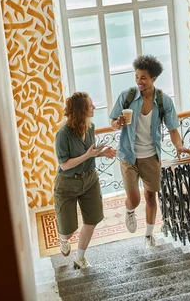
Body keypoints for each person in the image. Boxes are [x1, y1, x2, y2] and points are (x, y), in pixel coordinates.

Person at [110, 55, 190, 248]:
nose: (139, 81)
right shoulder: (127, 96)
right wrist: (118, 123)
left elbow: (173, 129)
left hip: (151, 156)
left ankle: (148, 235)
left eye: (143, 78)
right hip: (128, 155)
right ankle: (130, 211)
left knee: (150, 197)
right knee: (134, 198)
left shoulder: (164, 101)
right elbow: (113, 122)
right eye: (137, 76)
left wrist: (178, 146)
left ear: (153, 79)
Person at [54, 91, 116, 268]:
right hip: (67, 184)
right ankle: (64, 239)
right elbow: (64, 165)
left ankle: (79, 257)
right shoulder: (63, 134)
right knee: (68, 229)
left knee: (92, 220)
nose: (94, 107)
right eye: (90, 105)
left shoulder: (91, 127)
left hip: (90, 180)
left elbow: (90, 152)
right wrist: (88, 154)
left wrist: (102, 153)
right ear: (82, 111)